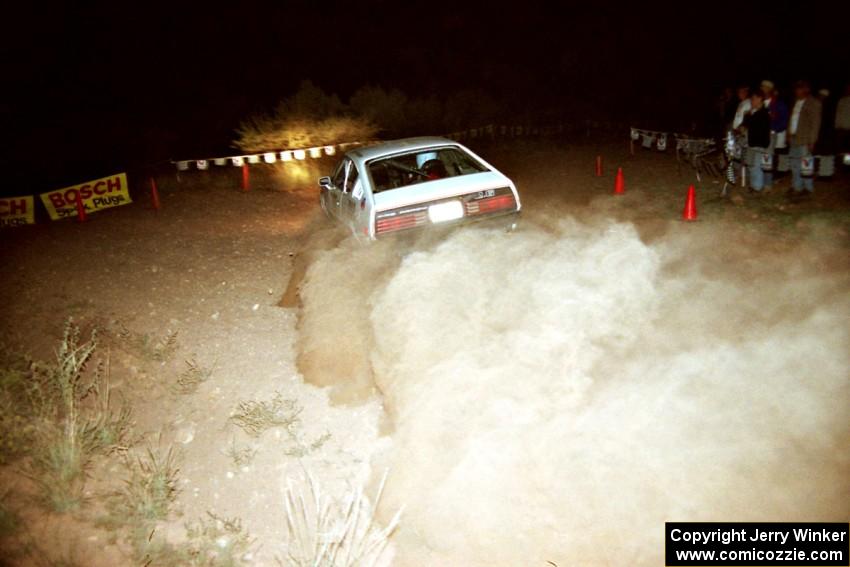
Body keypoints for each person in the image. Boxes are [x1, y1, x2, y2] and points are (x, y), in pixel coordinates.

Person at [788, 80, 822, 196]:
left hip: (805, 139)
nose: (796, 91)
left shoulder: (814, 103)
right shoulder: (796, 102)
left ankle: (808, 188)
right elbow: (792, 119)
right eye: (796, 88)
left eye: (799, 88)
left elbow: (815, 123)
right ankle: (797, 186)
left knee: (806, 164)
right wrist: (788, 133)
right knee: (794, 163)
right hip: (794, 137)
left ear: (806, 89)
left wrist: (812, 141)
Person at [761, 80, 788, 189]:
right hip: (760, 135)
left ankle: (770, 180)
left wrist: (774, 128)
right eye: (762, 87)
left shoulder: (778, 103)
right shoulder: (759, 101)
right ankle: (764, 178)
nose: (762, 89)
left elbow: (784, 120)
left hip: (773, 134)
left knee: (770, 156)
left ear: (770, 89)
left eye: (764, 87)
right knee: (763, 157)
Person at [744, 91, 772, 193]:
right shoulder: (754, 112)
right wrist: (750, 113)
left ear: (760, 99)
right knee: (751, 165)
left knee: (757, 166)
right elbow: (746, 124)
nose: (751, 101)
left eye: (753, 99)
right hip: (752, 143)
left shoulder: (764, 113)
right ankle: (754, 185)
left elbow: (756, 127)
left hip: (760, 144)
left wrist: (750, 115)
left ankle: (757, 187)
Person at [836, 83, 850, 171]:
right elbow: (838, 114)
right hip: (842, 128)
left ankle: (847, 166)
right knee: (842, 149)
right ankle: (843, 166)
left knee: (849, 150)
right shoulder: (842, 100)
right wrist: (837, 126)